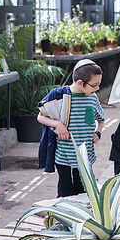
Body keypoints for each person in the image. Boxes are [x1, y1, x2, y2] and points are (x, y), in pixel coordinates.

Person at [37, 59, 105, 197]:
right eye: (94, 85)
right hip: (64, 155)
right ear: (80, 83)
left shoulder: (93, 98)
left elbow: (101, 120)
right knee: (65, 191)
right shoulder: (60, 95)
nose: (97, 88)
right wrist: (57, 124)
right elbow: (40, 117)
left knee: (83, 190)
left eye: (99, 84)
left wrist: (97, 132)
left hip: (86, 154)